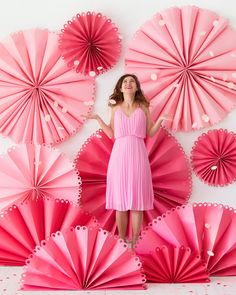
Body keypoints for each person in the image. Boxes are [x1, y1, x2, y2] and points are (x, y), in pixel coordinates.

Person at [83, 74, 169, 247]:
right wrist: (99, 119)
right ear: (120, 88)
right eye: (125, 82)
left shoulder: (143, 106)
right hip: (119, 155)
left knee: (137, 200)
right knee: (121, 201)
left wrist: (160, 119)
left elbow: (150, 133)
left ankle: (135, 241)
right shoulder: (115, 108)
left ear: (136, 87)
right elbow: (111, 134)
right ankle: (122, 240)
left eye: (132, 82)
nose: (128, 84)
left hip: (138, 153)